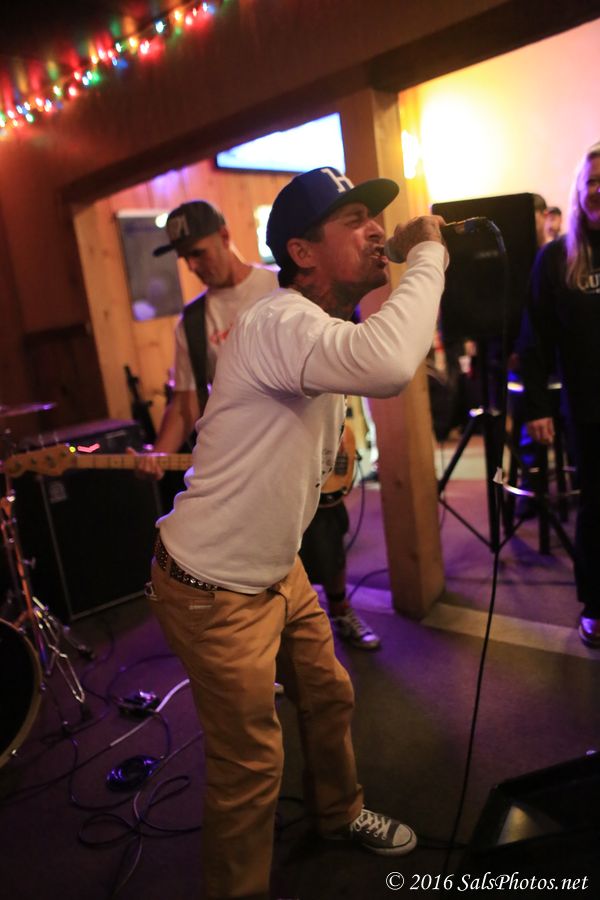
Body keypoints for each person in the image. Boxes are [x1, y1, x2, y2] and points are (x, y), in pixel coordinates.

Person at [147, 166, 447, 899]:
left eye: (376, 218)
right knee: (250, 765)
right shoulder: (282, 319)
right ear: (303, 252)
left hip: (276, 569)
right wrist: (429, 254)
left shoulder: (313, 323)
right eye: (355, 220)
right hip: (213, 589)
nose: (376, 230)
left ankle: (337, 812)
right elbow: (388, 361)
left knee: (327, 692)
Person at [140, 199, 381, 649]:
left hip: (305, 440)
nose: (194, 266)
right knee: (266, 555)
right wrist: (159, 451)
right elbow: (186, 403)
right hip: (250, 462)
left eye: (199, 252)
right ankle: (282, 641)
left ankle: (341, 610)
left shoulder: (281, 284)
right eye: (186, 258)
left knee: (326, 535)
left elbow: (338, 353)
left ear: (225, 237)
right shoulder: (192, 323)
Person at [519, 142, 600, 648]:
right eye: (593, 181)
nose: (599, 190)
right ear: (579, 190)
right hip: (589, 411)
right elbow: (534, 340)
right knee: (597, 509)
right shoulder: (556, 258)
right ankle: (596, 605)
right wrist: (538, 407)